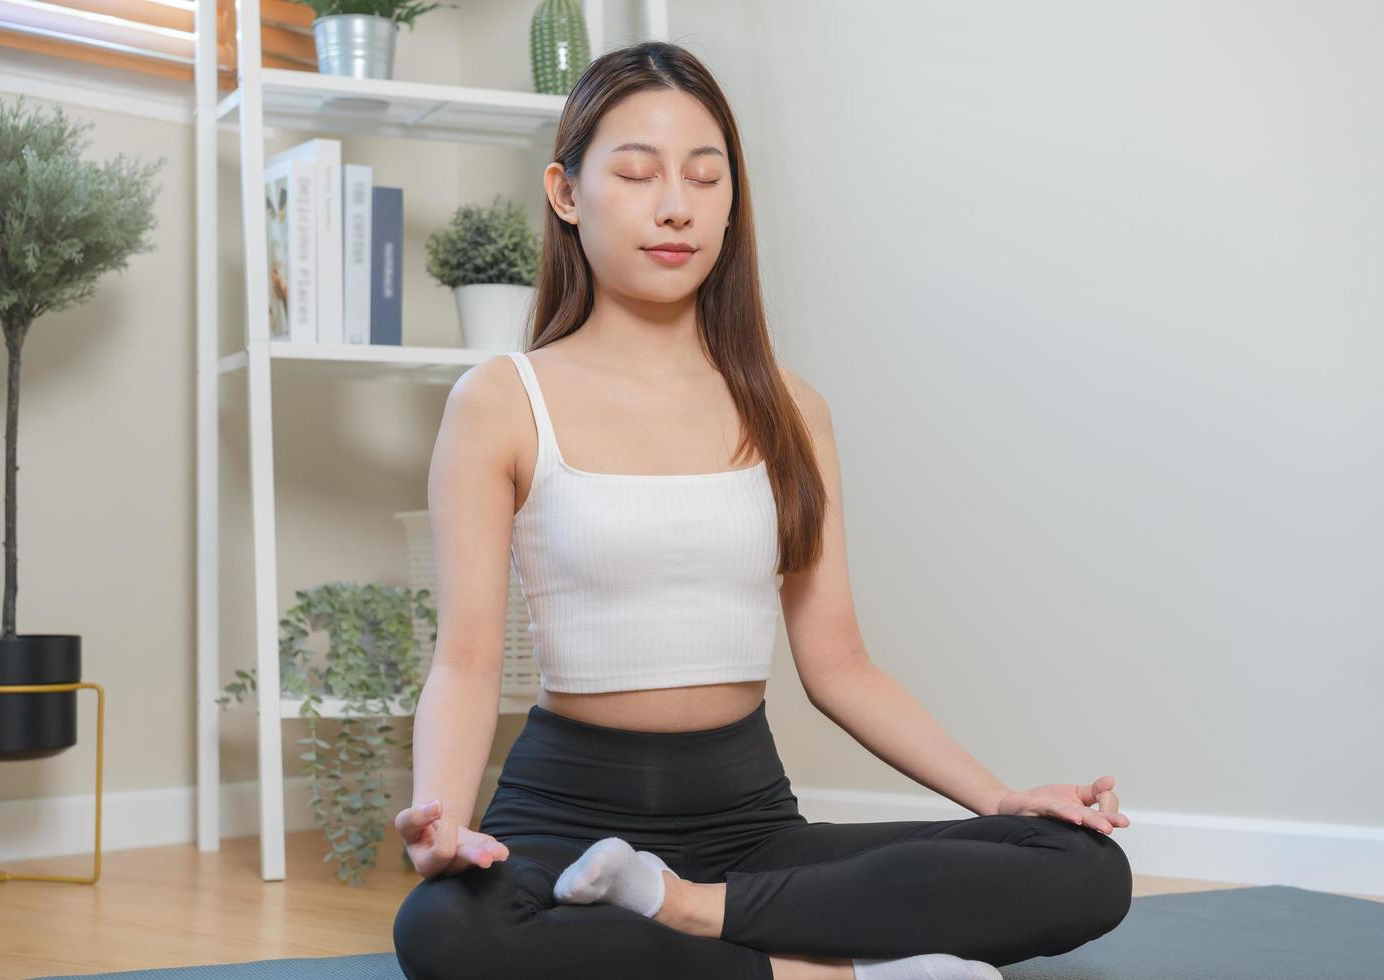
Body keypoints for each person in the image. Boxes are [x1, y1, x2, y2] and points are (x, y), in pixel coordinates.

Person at [391, 40, 1132, 980]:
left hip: (749, 832)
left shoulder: (791, 409)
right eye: (637, 173)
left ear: (731, 201)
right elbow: (464, 660)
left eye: (707, 178)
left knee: (1083, 868)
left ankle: (690, 911)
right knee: (443, 932)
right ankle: (821, 975)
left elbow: (841, 666)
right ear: (567, 192)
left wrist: (1001, 801)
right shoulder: (501, 401)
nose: (676, 206)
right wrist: (442, 822)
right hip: (563, 822)